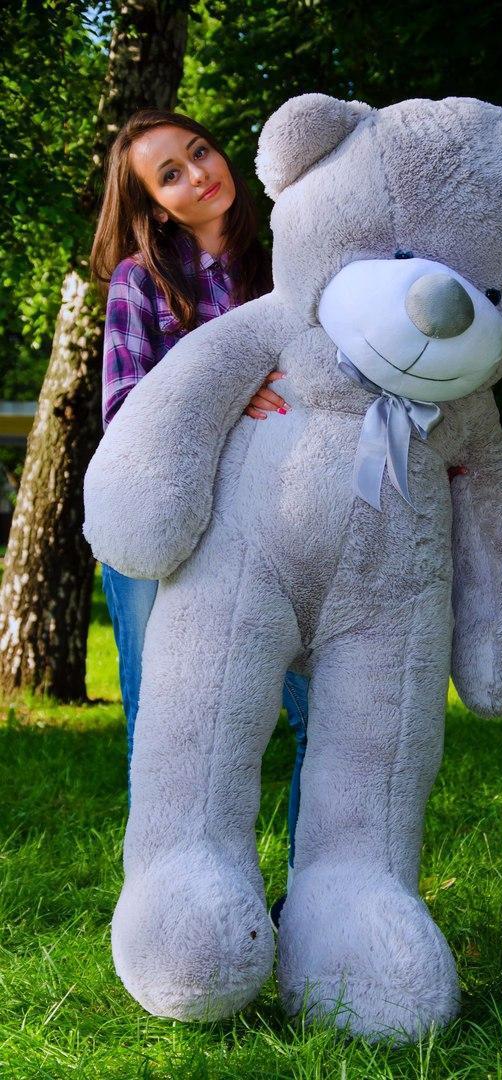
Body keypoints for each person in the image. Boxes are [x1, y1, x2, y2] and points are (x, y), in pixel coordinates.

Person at [90, 108, 309, 897]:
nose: (198, 174)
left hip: (280, 520)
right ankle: (174, 902)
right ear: (154, 206)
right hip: (163, 525)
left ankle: (314, 897)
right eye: (170, 174)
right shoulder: (139, 281)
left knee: (324, 711)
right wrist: (225, 389)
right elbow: (124, 410)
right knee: (164, 724)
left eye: (200, 151)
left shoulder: (290, 259)